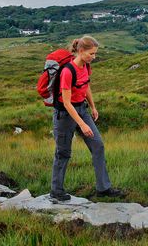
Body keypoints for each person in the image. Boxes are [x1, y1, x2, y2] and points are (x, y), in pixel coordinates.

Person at [50, 35, 124, 202]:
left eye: (95, 54)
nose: (94, 57)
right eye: (91, 54)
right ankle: (56, 191)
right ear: (81, 51)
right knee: (63, 153)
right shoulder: (68, 71)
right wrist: (82, 124)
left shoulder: (86, 66)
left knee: (98, 145)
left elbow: (86, 85)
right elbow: (67, 103)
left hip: (82, 110)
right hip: (65, 115)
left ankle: (103, 188)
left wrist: (92, 106)